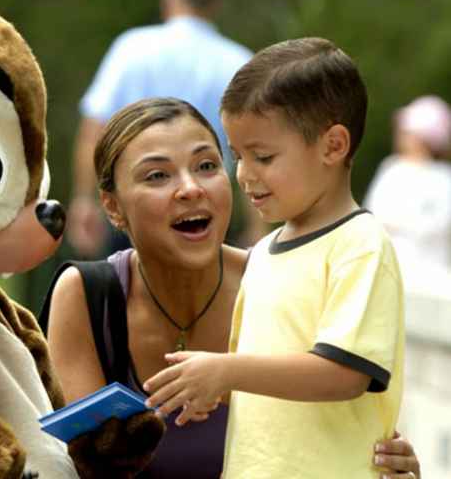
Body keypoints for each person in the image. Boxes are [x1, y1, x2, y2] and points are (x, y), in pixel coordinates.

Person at [44, 97, 420, 478]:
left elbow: (334, 422)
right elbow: (83, 468)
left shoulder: (280, 282)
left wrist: (380, 462)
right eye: (157, 175)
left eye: (207, 165)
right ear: (112, 207)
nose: (191, 188)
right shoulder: (87, 296)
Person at [143, 38, 407, 478]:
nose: (244, 175)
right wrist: (216, 389)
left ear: (333, 145)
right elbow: (266, 375)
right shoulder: (264, 253)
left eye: (263, 157)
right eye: (238, 156)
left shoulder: (360, 245)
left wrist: (226, 372)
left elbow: (344, 374)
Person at [66, 0, 257, 258]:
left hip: (135, 213)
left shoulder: (132, 48)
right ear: (216, 3)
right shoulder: (238, 61)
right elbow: (251, 152)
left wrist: (85, 201)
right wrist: (258, 228)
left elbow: (93, 131)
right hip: (204, 215)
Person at [364, 95, 451, 294]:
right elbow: (371, 213)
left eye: (408, 133)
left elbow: (441, 224)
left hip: (429, 275)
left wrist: (399, 222)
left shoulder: (443, 179)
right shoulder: (391, 169)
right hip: (388, 269)